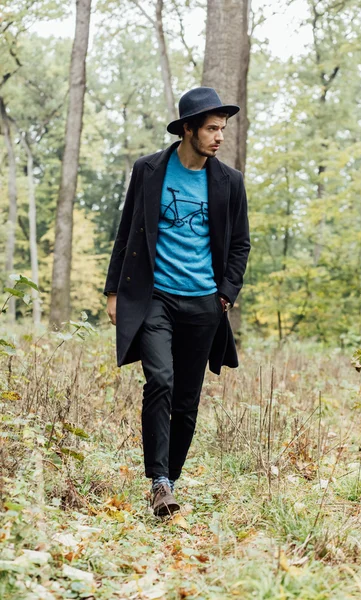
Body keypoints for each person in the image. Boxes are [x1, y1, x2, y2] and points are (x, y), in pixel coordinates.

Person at [104, 87, 250, 516]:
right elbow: (127, 229)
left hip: (204, 303)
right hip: (154, 298)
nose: (219, 136)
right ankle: (159, 480)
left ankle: (170, 482)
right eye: (211, 128)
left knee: (187, 398)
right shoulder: (149, 170)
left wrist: (225, 293)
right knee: (161, 381)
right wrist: (113, 290)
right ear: (188, 129)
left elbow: (240, 245)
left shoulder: (229, 182)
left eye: (223, 129)